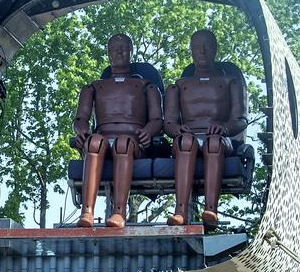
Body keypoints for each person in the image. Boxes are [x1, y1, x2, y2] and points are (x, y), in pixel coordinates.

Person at [72, 32, 160, 229]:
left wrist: (148, 131)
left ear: (131, 52)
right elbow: (80, 118)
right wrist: (82, 131)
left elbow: (157, 119)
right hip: (103, 138)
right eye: (114, 49)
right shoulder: (94, 87)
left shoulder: (146, 86)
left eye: (123, 48)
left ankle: (119, 211)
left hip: (132, 141)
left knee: (123, 143)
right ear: (108, 53)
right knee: (93, 142)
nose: (119, 53)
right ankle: (87, 211)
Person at [162, 28, 246, 229]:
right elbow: (168, 123)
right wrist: (177, 130)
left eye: (207, 46)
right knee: (185, 142)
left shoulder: (230, 83)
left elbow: (240, 120)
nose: (202, 51)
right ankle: (180, 211)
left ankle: (211, 209)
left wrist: (225, 128)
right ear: (191, 50)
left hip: (219, 138)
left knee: (214, 143)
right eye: (197, 47)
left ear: (215, 49)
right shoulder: (179, 86)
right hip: (189, 136)